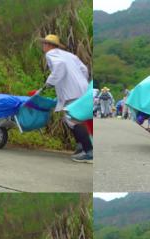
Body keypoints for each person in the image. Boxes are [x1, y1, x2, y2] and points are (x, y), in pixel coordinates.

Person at [40, 34, 92, 163]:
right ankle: (80, 147)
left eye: (44, 44)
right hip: (83, 88)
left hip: (71, 91)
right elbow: (84, 69)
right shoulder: (70, 55)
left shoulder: (51, 54)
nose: (43, 46)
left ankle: (89, 152)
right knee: (73, 118)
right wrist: (80, 82)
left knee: (72, 119)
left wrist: (49, 82)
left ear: (49, 45)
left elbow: (60, 66)